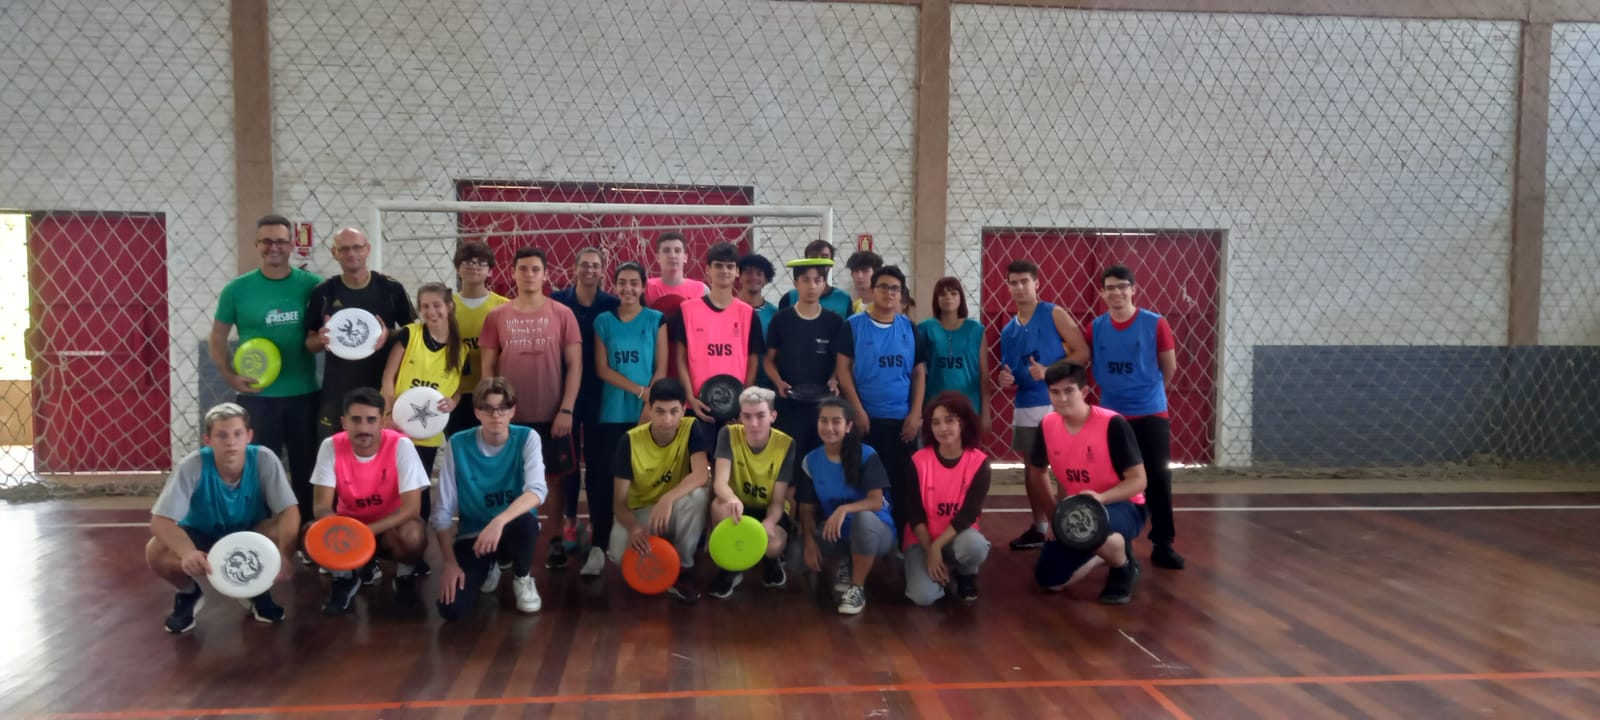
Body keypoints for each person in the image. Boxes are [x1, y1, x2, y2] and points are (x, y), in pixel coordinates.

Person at [147, 402, 300, 633]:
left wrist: (285, 555)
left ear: (249, 436)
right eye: (221, 435)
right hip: (201, 537)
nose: (230, 442)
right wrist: (187, 552)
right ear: (208, 440)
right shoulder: (192, 466)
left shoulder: (264, 459)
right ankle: (189, 593)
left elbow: (289, 510)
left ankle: (255, 589)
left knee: (281, 530)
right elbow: (160, 521)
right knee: (156, 551)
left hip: (248, 535)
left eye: (237, 434)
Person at [208, 213, 321, 521]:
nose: (274, 247)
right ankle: (260, 532)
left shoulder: (313, 286)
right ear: (257, 244)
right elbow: (217, 338)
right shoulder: (237, 289)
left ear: (291, 244)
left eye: (280, 241)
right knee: (257, 471)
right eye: (267, 241)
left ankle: (305, 531)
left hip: (304, 394)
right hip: (257, 398)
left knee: (307, 469)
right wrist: (229, 376)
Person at [479, 247, 583, 570]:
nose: (529, 274)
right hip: (509, 416)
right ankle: (508, 541)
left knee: (553, 480)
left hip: (551, 415)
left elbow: (575, 365)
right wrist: (493, 410)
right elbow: (488, 367)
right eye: (522, 269)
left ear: (546, 274)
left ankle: (554, 540)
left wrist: (566, 409)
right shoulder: (497, 316)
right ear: (512, 273)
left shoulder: (562, 313)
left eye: (535, 269)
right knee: (508, 480)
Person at [1086, 264, 1184, 570]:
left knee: (1157, 477)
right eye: (1110, 288)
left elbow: (1169, 367)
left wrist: (1148, 393)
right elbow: (1082, 360)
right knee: (1114, 479)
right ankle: (1119, 539)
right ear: (1102, 293)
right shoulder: (1095, 327)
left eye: (1122, 286)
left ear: (1133, 289)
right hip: (1112, 415)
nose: (1116, 292)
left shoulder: (1155, 323)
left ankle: (1163, 542)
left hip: (1150, 411)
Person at [1029, 361, 1146, 605]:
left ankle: (1123, 566)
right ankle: (1102, 552)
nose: (1062, 399)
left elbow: (1139, 481)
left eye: (1069, 391)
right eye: (1054, 392)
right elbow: (1037, 472)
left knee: (1089, 525)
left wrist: (1101, 498)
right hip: (1077, 511)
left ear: (1083, 392)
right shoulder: (1047, 425)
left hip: (1124, 505)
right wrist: (1054, 517)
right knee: (1050, 581)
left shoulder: (1112, 424)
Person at [308, 388, 430, 614]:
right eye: (356, 420)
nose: (364, 428)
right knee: (311, 531)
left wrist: (365, 532)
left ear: (382, 422)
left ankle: (404, 577)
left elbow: (412, 508)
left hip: (389, 527)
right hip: (349, 527)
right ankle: (344, 578)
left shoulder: (401, 445)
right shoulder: (330, 446)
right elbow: (321, 506)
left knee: (413, 534)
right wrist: (338, 528)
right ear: (344, 422)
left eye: (371, 420)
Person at [433, 378, 548, 619]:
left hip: (511, 527)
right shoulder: (458, 443)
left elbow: (537, 491)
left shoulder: (528, 438)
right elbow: (442, 511)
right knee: (452, 610)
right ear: (477, 412)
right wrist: (450, 563)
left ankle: (522, 576)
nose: (496, 415)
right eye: (488, 408)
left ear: (512, 411)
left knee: (526, 523)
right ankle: (490, 565)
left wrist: (499, 521)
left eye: (503, 408)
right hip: (474, 535)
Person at [997, 259, 1089, 551]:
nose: (1019, 287)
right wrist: (1004, 377)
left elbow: (1082, 351)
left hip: (1058, 402)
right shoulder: (1008, 331)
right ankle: (1040, 527)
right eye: (1014, 282)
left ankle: (1066, 524)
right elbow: (1010, 370)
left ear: (1036, 283)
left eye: (1025, 281)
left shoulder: (1053, 313)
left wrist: (1050, 370)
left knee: (1063, 465)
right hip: (1027, 403)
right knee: (1031, 467)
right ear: (1008, 287)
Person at [834, 265, 927, 538]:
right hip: (866, 421)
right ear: (873, 290)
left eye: (895, 288)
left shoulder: (909, 328)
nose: (889, 293)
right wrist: (857, 410)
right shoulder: (853, 326)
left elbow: (919, 373)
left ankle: (899, 542)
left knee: (902, 485)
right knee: (865, 484)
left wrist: (915, 414)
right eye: (884, 287)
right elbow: (843, 371)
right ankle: (864, 541)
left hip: (901, 422)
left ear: (901, 295)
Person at [590, 261, 668, 576]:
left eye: (634, 283)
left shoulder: (656, 319)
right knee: (606, 479)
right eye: (622, 282)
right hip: (613, 412)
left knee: (645, 477)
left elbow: (661, 367)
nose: (628, 288)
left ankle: (651, 538)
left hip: (648, 412)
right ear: (615, 285)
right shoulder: (603, 321)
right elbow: (602, 369)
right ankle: (599, 544)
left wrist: (651, 402)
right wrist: (640, 391)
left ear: (643, 286)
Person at [304, 227, 416, 441]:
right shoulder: (323, 292)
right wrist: (321, 339)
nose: (351, 253)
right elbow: (309, 343)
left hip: (382, 389)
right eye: (344, 249)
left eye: (357, 247)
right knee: (334, 452)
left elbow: (414, 334)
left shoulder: (391, 289)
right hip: (337, 391)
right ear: (334, 252)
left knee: (383, 452)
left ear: (368, 249)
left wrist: (389, 335)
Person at [606, 378, 711, 602]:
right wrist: (634, 528)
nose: (667, 419)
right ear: (650, 410)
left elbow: (702, 474)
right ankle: (662, 547)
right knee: (618, 554)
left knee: (699, 496)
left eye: (674, 411)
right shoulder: (630, 441)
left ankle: (683, 567)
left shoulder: (691, 428)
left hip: (673, 507)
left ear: (683, 410)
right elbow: (619, 502)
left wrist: (667, 499)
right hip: (641, 512)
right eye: (660, 411)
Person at [551, 247, 620, 557]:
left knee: (596, 464)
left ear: (603, 271)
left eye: (595, 266)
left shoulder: (612, 304)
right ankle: (569, 522)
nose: (590, 270)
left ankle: (594, 522)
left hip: (600, 392)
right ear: (575, 268)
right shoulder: (557, 301)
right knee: (566, 462)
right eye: (585, 265)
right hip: (564, 391)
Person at [797, 398, 894, 616]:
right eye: (823, 421)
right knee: (796, 555)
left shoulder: (867, 454)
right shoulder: (810, 461)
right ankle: (847, 561)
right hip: (839, 531)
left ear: (848, 426)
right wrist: (810, 542)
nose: (829, 427)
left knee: (863, 519)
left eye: (836, 421)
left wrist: (844, 509)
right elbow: (806, 507)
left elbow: (876, 502)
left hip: (876, 531)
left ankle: (857, 588)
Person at [379, 282, 467, 521]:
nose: (431, 311)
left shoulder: (460, 349)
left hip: (428, 429)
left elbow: (459, 388)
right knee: (391, 485)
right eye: (425, 306)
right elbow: (388, 376)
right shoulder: (410, 334)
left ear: (450, 306)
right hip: (395, 425)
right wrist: (389, 413)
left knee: (420, 486)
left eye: (436, 305)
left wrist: (453, 402)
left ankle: (419, 538)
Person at [903, 392, 991, 606]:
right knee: (923, 597)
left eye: (949, 420)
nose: (942, 428)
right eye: (936, 422)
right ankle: (933, 573)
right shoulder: (918, 461)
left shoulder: (979, 462)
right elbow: (915, 514)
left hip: (956, 537)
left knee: (976, 545)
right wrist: (929, 550)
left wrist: (937, 548)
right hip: (922, 540)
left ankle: (966, 574)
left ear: (963, 423)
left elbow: (968, 515)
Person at [708, 387, 795, 598]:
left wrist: (770, 522)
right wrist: (731, 498)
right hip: (738, 507)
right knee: (719, 505)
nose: (753, 423)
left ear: (773, 416)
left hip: (768, 509)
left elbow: (778, 501)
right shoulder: (728, 434)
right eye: (747, 416)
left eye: (760, 416)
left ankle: (771, 560)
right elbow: (720, 482)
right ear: (740, 416)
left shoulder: (786, 444)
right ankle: (730, 567)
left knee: (772, 545)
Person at [670, 242, 764, 424]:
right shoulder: (687, 310)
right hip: (697, 405)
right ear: (708, 269)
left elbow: (753, 361)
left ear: (737, 272)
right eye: (718, 266)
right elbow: (681, 358)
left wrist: (743, 401)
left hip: (734, 408)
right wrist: (690, 398)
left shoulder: (748, 313)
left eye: (730, 266)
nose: (724, 271)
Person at [764, 259, 842, 459]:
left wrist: (834, 379)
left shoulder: (834, 322)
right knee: (790, 458)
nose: (812, 286)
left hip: (823, 405)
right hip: (789, 404)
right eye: (806, 280)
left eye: (818, 280)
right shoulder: (781, 320)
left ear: (824, 284)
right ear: (796, 283)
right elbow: (768, 360)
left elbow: (840, 362)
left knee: (822, 458)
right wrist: (779, 382)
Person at [445, 241, 509, 436]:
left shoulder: (504, 306)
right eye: (468, 262)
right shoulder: (445, 306)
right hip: (454, 392)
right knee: (459, 443)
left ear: (490, 271)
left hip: (493, 392)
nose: (474, 266)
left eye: (481, 263)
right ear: (458, 268)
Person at [917, 277, 992, 438]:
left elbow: (983, 375)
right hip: (934, 405)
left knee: (966, 450)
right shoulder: (925, 328)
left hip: (968, 406)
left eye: (953, 293)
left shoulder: (975, 330)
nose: (948, 297)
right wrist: (916, 411)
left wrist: (986, 412)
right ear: (936, 299)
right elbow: (917, 372)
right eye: (943, 294)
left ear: (961, 298)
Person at [777, 239, 854, 318]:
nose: (819, 261)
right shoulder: (789, 298)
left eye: (824, 257)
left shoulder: (844, 299)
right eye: (814, 257)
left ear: (831, 263)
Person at [737, 252, 778, 389]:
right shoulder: (728, 309)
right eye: (748, 272)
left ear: (766, 279)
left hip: (767, 384)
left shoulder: (774, 313)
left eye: (759, 274)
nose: (753, 277)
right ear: (739, 276)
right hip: (735, 382)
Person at [843, 250, 883, 315]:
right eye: (856, 271)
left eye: (865, 271)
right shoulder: (855, 306)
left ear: (876, 274)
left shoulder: (884, 306)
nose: (860, 276)